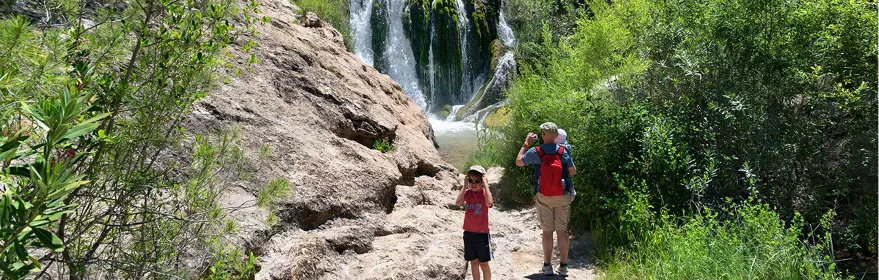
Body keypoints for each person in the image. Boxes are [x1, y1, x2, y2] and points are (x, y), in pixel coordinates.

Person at [515, 122, 577, 276]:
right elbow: (573, 171)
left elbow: (518, 162)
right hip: (562, 195)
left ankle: (547, 266)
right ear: (556, 136)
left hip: (544, 195)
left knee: (547, 232)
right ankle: (563, 267)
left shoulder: (535, 151)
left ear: (543, 135)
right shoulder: (563, 151)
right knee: (562, 231)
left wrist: (526, 144)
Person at [455, 165, 494, 280]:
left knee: (484, 264)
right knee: (474, 263)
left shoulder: (484, 194)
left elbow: (489, 203)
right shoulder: (468, 193)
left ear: (482, 181)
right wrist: (464, 186)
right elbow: (458, 203)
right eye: (471, 180)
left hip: (482, 234)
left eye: (477, 181)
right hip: (469, 234)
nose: (474, 183)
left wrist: (486, 185)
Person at [555, 129, 576, 202]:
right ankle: (571, 191)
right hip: (563, 170)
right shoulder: (563, 147)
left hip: (562, 168)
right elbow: (573, 171)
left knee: (566, 178)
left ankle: (571, 191)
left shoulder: (563, 146)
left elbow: (569, 147)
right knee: (566, 177)